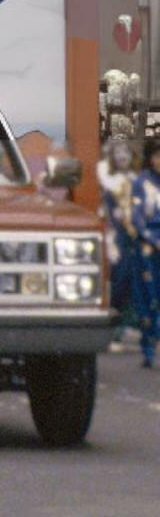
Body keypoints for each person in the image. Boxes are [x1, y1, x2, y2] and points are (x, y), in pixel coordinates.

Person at [99, 135, 138, 342]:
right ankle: (114, 326)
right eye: (118, 153)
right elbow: (107, 211)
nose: (122, 156)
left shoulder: (136, 179)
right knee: (118, 277)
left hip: (136, 235)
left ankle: (129, 323)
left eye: (126, 152)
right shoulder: (108, 180)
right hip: (115, 236)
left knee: (135, 277)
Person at [131, 134, 160, 371]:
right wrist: (153, 239)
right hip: (148, 246)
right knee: (148, 298)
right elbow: (137, 217)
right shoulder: (141, 182)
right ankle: (148, 349)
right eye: (158, 155)